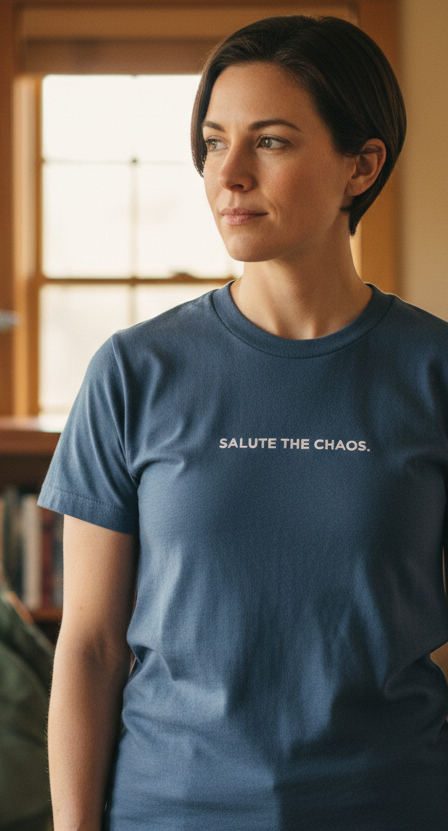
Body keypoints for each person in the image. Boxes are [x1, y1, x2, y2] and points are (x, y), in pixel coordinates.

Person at [39, 14, 448, 831]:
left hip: (392, 805)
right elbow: (88, 646)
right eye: (213, 140)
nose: (227, 174)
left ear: (361, 167)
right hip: (169, 811)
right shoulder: (132, 372)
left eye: (270, 142)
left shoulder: (433, 371)